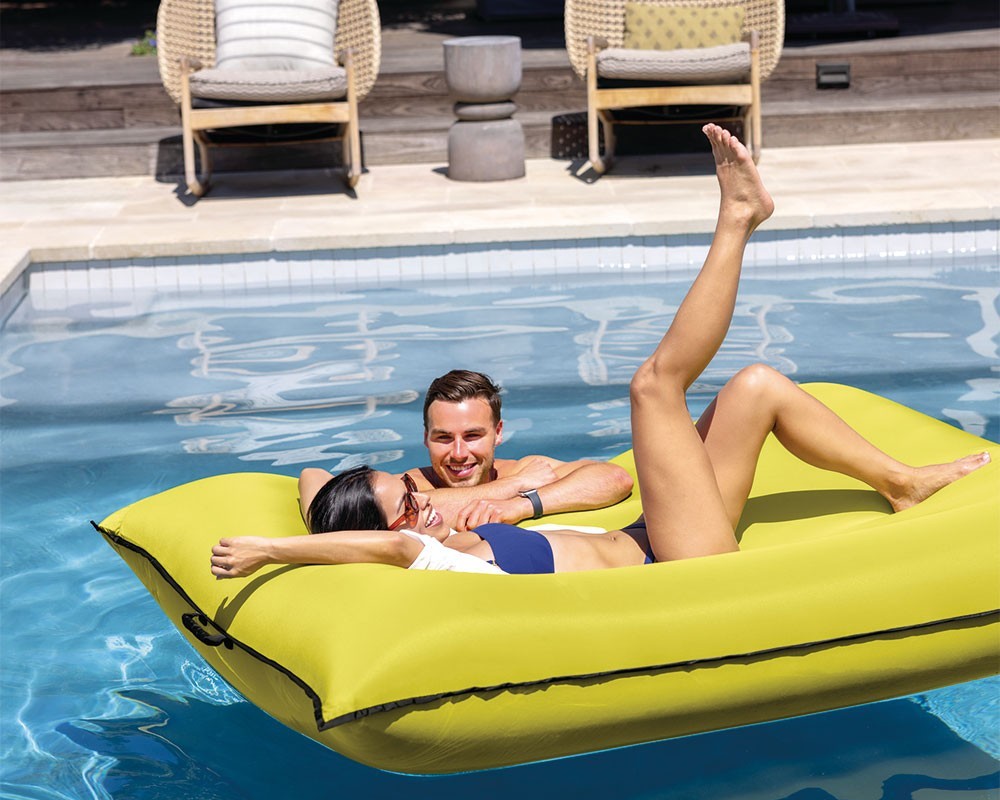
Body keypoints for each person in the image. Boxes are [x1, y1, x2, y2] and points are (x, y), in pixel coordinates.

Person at [212, 124, 990, 580]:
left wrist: (479, 498)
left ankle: (900, 483)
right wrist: (273, 550)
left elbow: (316, 483)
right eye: (408, 507)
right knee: (653, 385)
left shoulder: (456, 519)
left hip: (656, 532)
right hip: (677, 563)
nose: (422, 502)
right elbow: (380, 537)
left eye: (409, 496)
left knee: (755, 385)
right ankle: (737, 221)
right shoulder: (439, 556)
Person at [298, 369, 634, 531]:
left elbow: (614, 479)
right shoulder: (409, 487)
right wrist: (509, 487)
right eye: (444, 438)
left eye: (472, 436)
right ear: (425, 438)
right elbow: (312, 477)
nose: (459, 453)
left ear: (497, 433)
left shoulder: (527, 468)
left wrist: (519, 505)